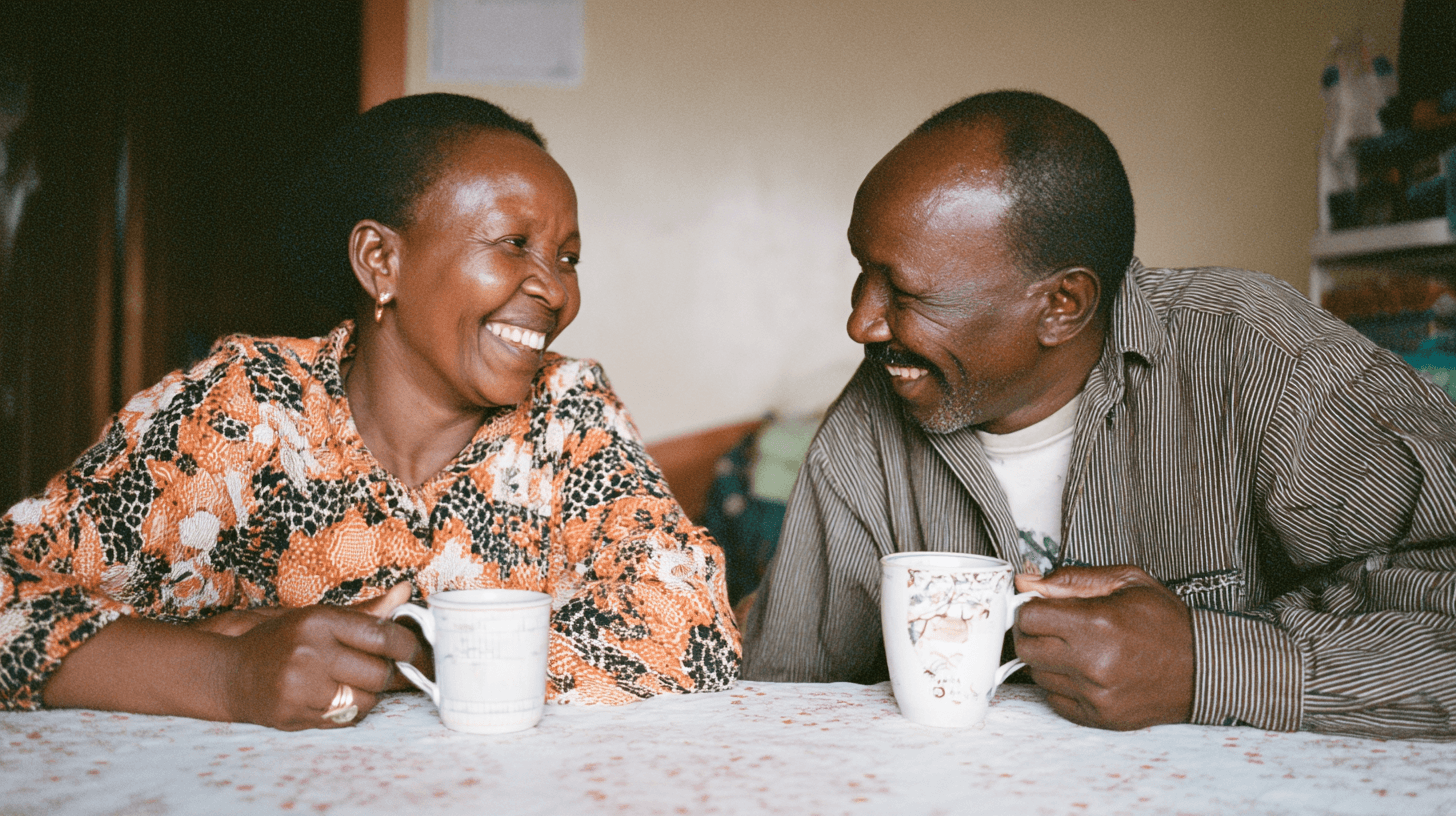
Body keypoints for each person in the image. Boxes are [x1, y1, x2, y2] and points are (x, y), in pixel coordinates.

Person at [0, 93, 740, 730]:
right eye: (515, 244)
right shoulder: (245, 407)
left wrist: (404, 649)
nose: (554, 290)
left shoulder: (568, 414)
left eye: (568, 257)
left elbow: (692, 621)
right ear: (379, 261)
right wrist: (225, 673)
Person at [742, 90, 1456, 741]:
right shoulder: (866, 429)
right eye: (862, 273)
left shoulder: (1261, 360)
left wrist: (1208, 664)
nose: (861, 324)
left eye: (905, 293)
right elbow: (777, 705)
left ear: (1063, 305)